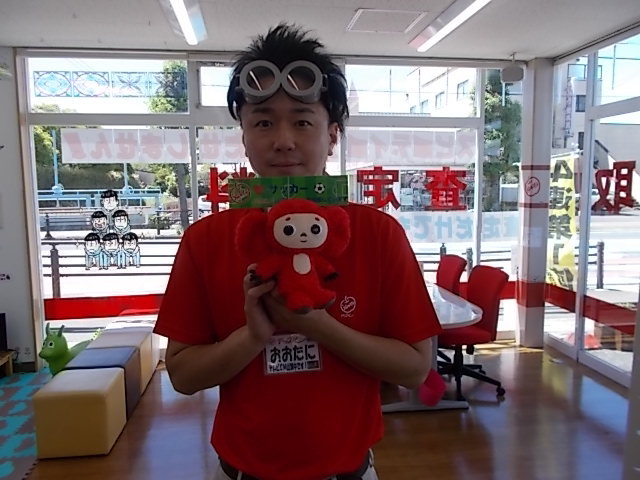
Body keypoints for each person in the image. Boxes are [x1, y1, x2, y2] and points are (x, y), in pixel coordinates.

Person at [153, 23, 442, 480]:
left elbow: (415, 367)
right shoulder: (206, 239)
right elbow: (183, 376)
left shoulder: (378, 233)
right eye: (263, 122)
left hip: (349, 470)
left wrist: (317, 326)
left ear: (333, 135)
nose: (283, 139)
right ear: (244, 136)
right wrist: (253, 336)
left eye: (303, 121)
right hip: (241, 470)